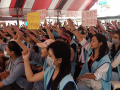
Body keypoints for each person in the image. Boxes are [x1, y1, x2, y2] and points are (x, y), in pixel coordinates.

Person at [67, 19, 112, 90]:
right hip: (89, 79)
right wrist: (72, 26)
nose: (91, 42)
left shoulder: (105, 60)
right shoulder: (91, 50)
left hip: (101, 84)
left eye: (94, 41)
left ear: (100, 43)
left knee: (79, 87)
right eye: (91, 40)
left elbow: (96, 76)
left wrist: (83, 76)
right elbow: (81, 39)